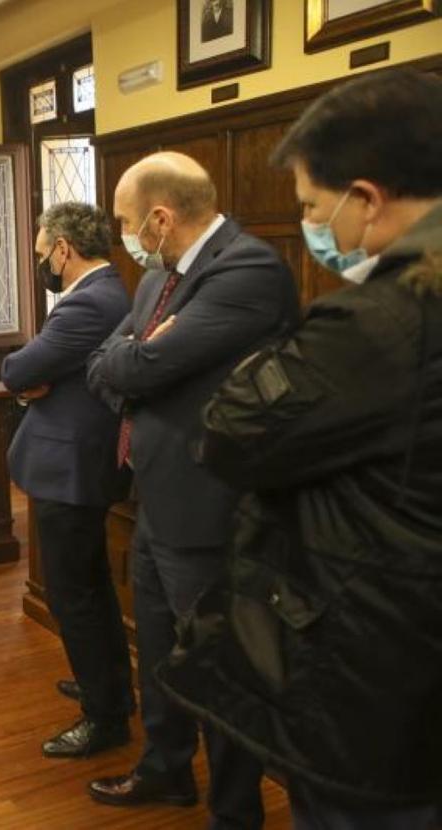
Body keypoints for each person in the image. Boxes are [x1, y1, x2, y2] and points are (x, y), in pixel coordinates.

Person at [158, 68, 442, 830]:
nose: (315, 228)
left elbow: (232, 433)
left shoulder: (383, 321)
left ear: (368, 199)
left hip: (376, 659)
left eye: (314, 207)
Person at [85, 152, 299, 827]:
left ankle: (235, 814)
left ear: (159, 217)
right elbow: (107, 362)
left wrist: (137, 359)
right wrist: (137, 358)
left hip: (212, 508)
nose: (122, 235)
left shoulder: (248, 271)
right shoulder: (159, 279)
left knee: (219, 667)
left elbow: (141, 365)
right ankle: (165, 768)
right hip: (155, 497)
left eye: (124, 223)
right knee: (156, 649)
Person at [0, 201, 134, 759]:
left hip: (71, 471)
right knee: (91, 586)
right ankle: (107, 686)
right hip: (76, 464)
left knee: (73, 595)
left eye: (41, 255)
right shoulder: (111, 294)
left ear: (63, 249)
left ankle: (103, 718)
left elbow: (17, 370)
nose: (41, 265)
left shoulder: (88, 303)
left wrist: (32, 380)